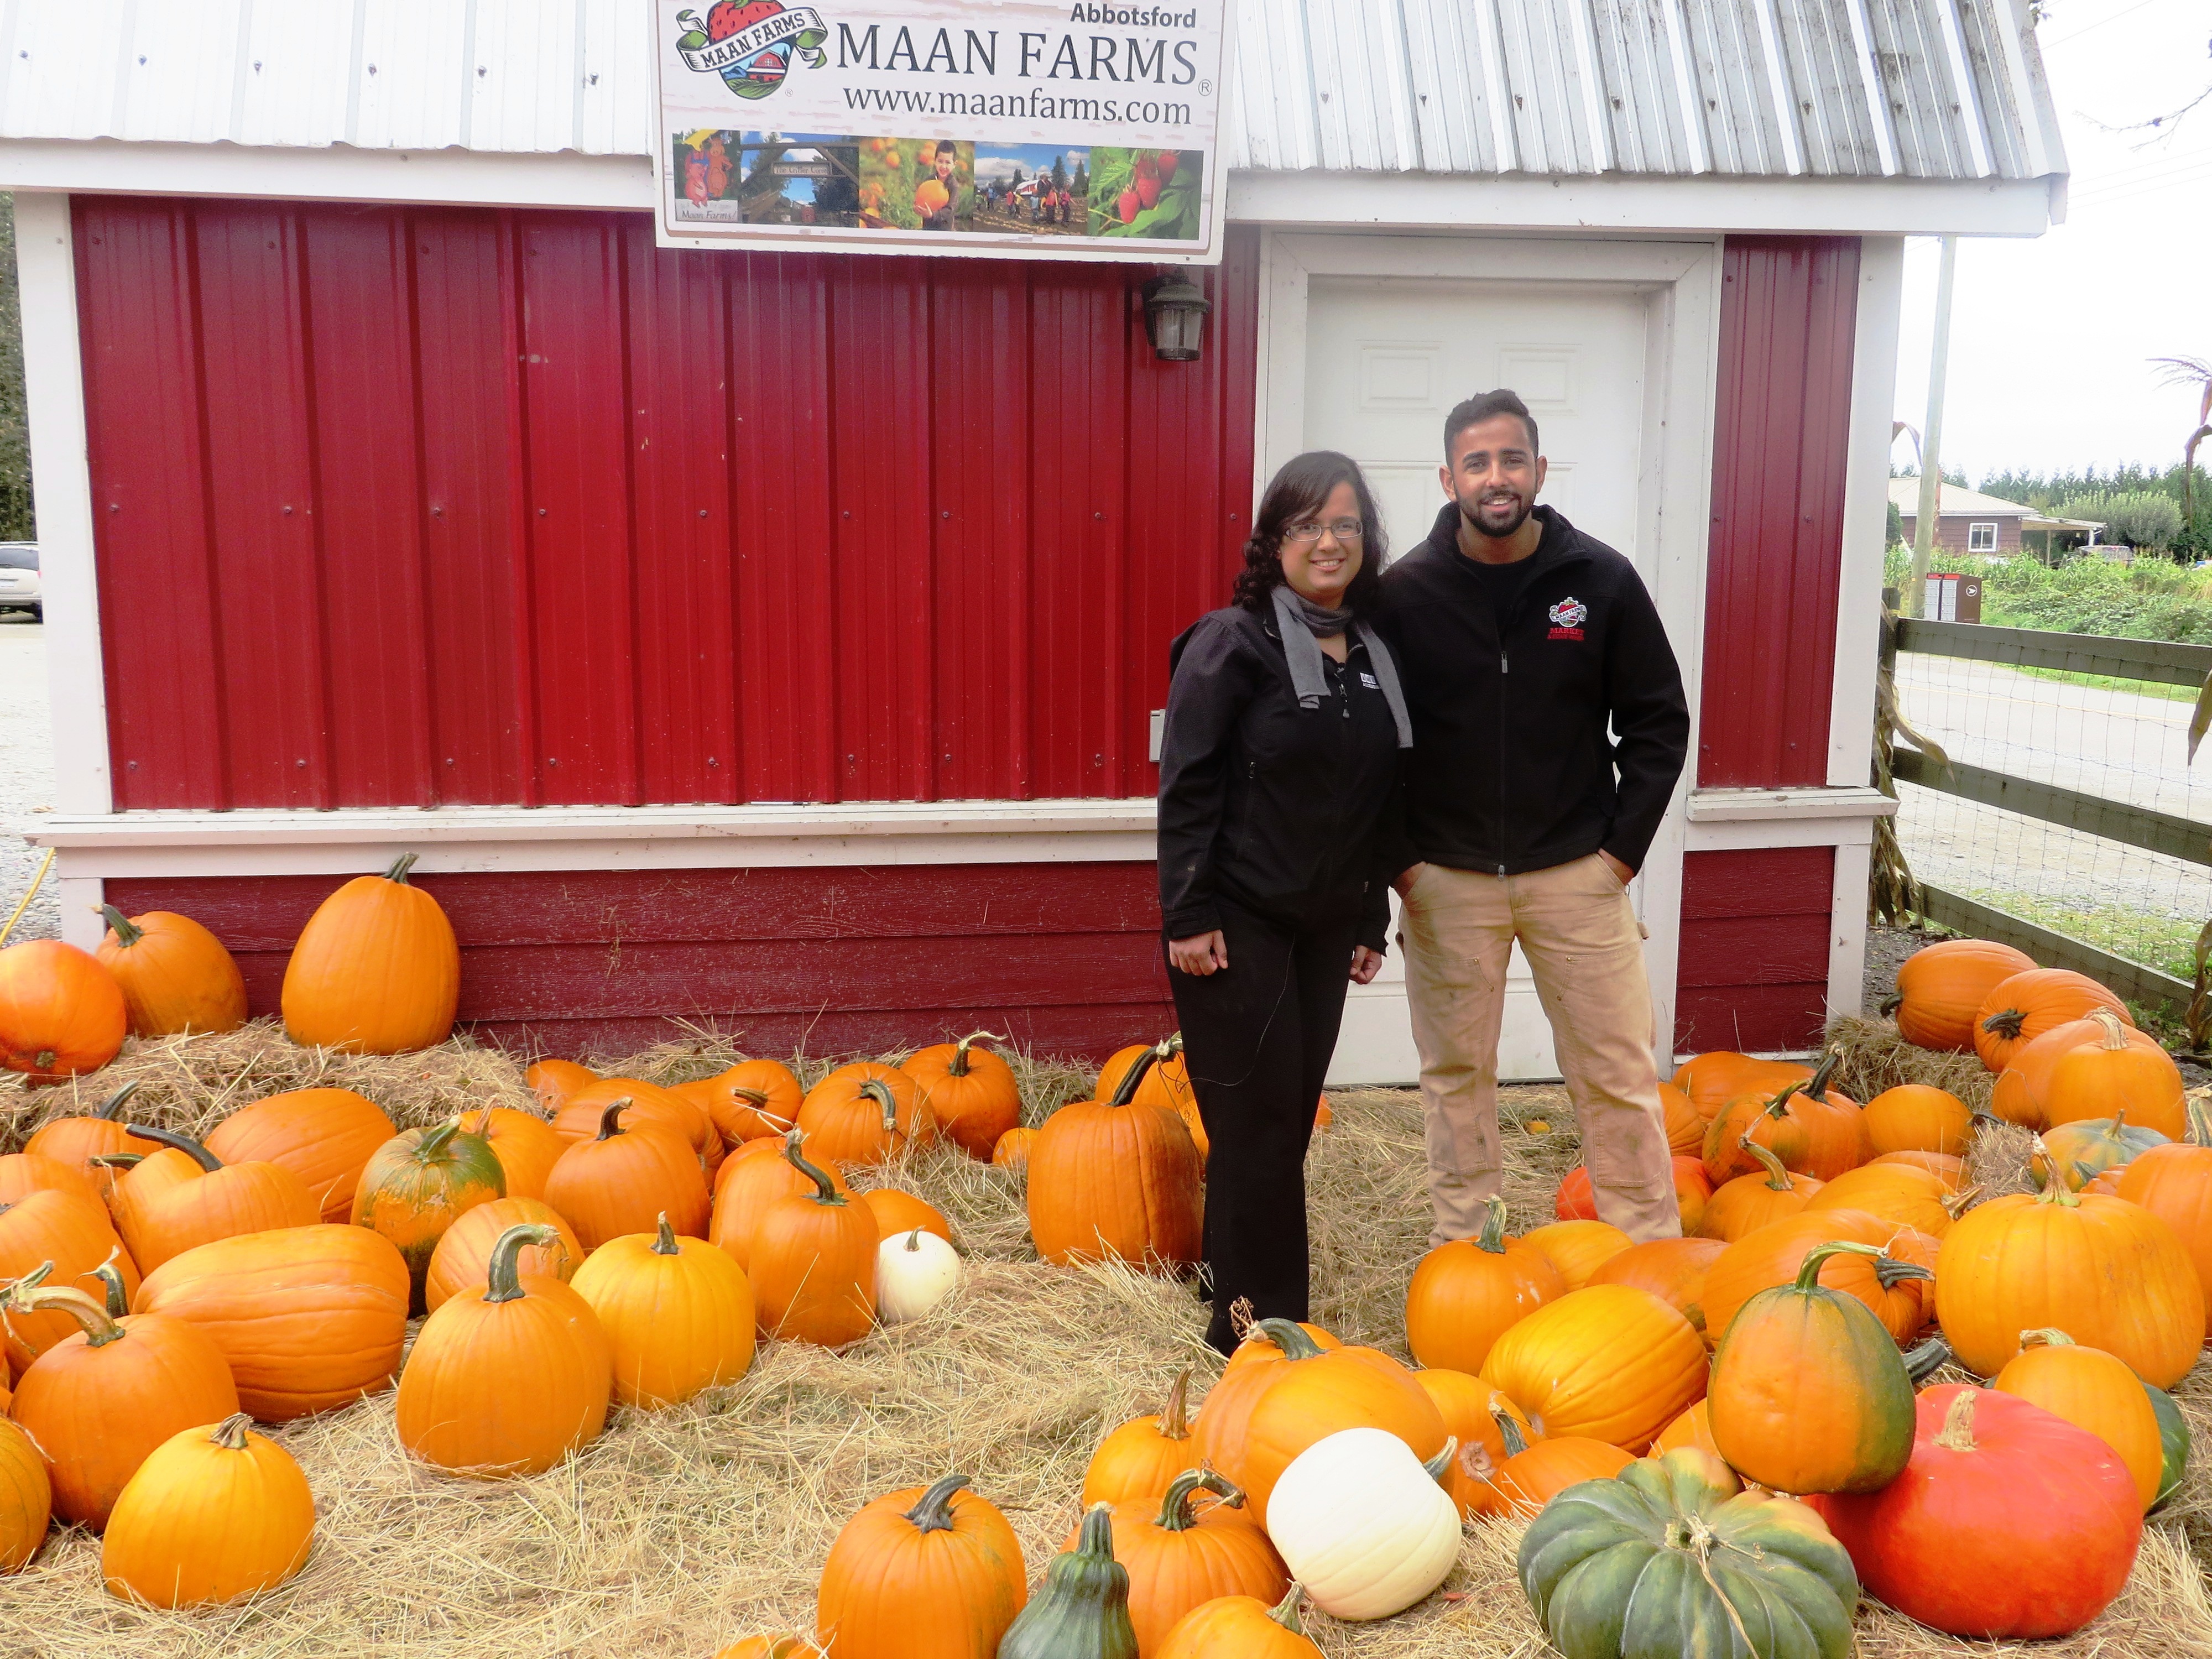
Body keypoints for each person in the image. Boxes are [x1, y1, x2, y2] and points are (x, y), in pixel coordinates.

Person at [1376, 388, 1691, 1247]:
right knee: (1455, 1080)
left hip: (1577, 879)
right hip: (1449, 882)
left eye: (1512, 458)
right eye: (1477, 462)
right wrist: (1406, 864)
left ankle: (1649, 1255)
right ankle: (1467, 1255)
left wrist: (1619, 854)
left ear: (1540, 470)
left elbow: (1660, 721)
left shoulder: (1600, 581)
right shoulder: (1404, 595)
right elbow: (1373, 743)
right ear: (1449, 479)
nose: (1496, 476)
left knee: (1616, 1073)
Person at [1157, 451, 1413, 1353]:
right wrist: (1186, 916)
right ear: (1275, 542)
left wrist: (1367, 921)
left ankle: (1229, 1277)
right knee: (1258, 1126)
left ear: (1366, 538)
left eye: (1346, 524)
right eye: (1308, 525)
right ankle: (1259, 1334)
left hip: (1322, 929)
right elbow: (1187, 787)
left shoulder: (1375, 652)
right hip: (1234, 925)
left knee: (1283, 1122)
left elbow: (1382, 798)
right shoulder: (1232, 643)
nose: (1330, 541)